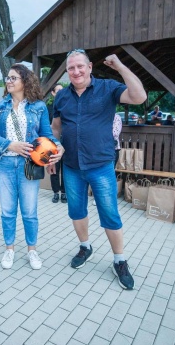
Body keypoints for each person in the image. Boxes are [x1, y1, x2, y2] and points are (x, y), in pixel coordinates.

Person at [51, 49, 146, 290]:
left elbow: (139, 97)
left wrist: (120, 67)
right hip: (71, 166)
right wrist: (53, 154)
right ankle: (85, 247)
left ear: (90, 66)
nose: (76, 71)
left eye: (80, 66)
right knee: (76, 211)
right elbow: (55, 129)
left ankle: (119, 260)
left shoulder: (108, 88)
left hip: (100, 166)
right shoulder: (61, 97)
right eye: (71, 68)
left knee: (109, 213)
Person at [0, 64, 64, 270]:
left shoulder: (37, 106)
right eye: (7, 78)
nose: (8, 81)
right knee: (7, 211)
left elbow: (47, 134)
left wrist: (58, 146)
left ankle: (32, 250)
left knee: (29, 211)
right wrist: (9, 144)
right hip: (4, 163)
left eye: (13, 78)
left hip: (27, 165)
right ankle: (9, 249)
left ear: (24, 81)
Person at [47, 84, 66, 203]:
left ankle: (64, 192)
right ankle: (55, 192)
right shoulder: (48, 108)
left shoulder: (66, 105)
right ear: (53, 93)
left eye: (62, 90)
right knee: (54, 166)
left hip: (66, 142)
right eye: (58, 90)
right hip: (52, 141)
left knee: (65, 168)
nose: (60, 92)